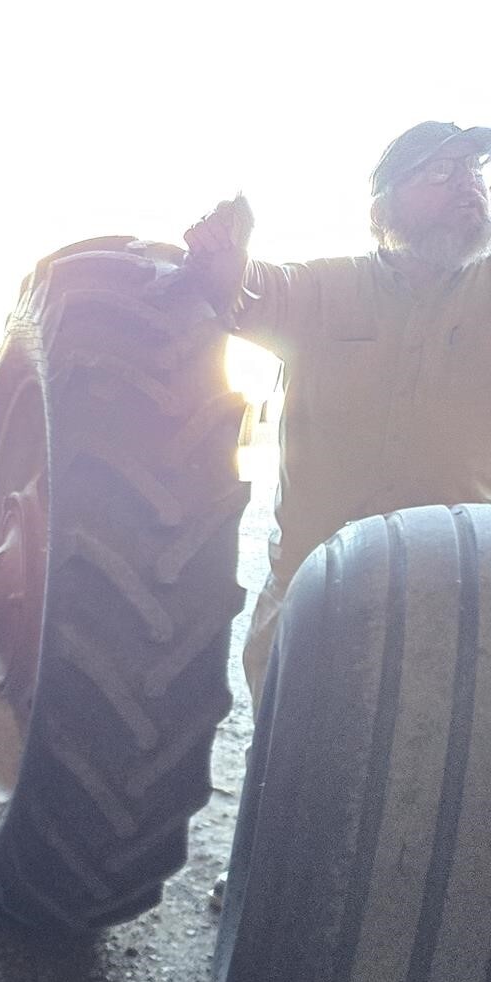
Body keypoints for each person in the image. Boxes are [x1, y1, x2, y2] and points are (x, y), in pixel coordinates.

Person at [184, 121, 491, 704]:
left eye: (475, 171)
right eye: (440, 172)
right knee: (295, 776)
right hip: (315, 601)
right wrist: (221, 252)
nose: (468, 185)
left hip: (461, 604)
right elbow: (240, 289)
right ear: (383, 209)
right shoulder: (324, 289)